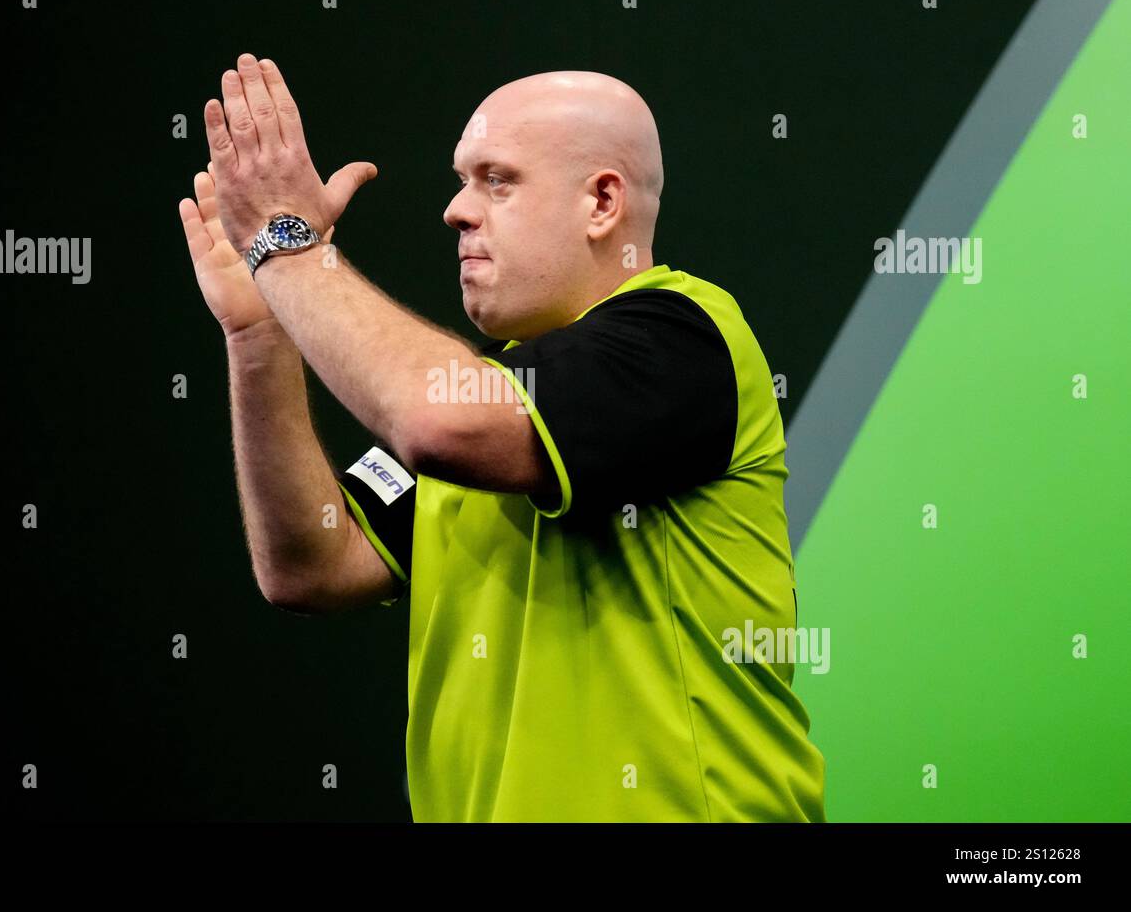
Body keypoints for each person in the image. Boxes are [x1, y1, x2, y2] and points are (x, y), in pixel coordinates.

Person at [178, 54, 826, 822]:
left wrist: (288, 249)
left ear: (601, 203)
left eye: (496, 179)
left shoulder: (684, 338)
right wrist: (261, 333)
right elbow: (313, 565)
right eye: (462, 179)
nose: (455, 209)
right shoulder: (493, 397)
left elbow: (434, 419)